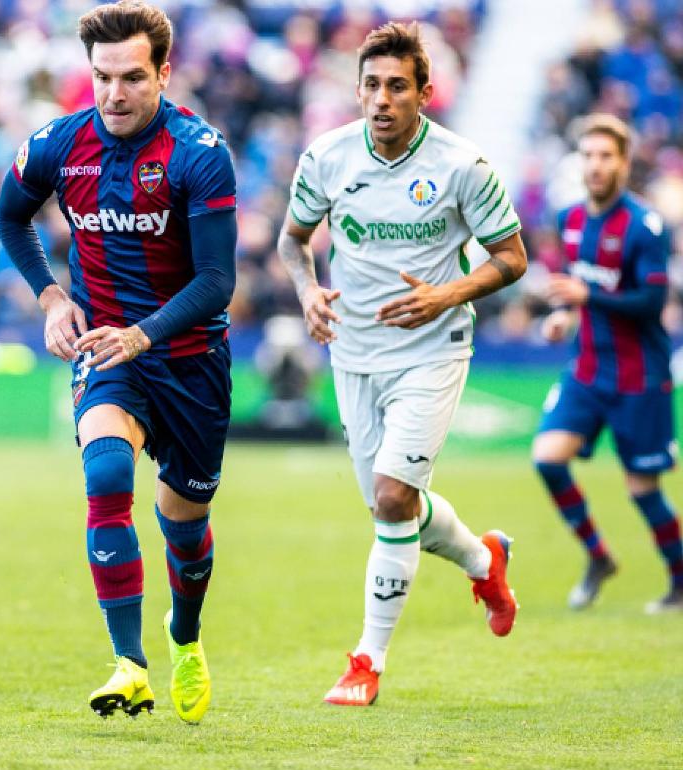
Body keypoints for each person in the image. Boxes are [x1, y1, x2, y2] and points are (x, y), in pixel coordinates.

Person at [0, 0, 236, 724]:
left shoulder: (199, 152)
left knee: (184, 526)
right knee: (104, 477)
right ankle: (129, 664)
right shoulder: (58, 145)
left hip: (191, 361)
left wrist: (146, 332)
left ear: (164, 73)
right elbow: (11, 215)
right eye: (102, 76)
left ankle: (183, 637)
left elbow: (218, 282)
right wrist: (49, 297)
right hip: (109, 352)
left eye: (132, 78)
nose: (114, 94)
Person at [277, 21, 525, 707]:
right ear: (357, 91)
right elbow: (293, 242)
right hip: (353, 353)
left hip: (433, 350)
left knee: (391, 499)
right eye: (371, 86)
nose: (381, 100)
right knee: (396, 506)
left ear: (425, 93)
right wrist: (308, 293)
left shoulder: (462, 167)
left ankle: (366, 661)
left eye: (396, 87)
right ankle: (484, 559)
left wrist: (448, 292)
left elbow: (512, 259)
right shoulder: (326, 158)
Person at [534, 114, 680, 614]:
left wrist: (586, 295)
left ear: (623, 162)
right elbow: (576, 294)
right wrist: (563, 316)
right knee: (548, 458)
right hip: (587, 370)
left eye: (606, 156)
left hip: (640, 377)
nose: (595, 166)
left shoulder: (645, 225)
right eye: (588, 156)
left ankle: (679, 579)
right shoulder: (570, 219)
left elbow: (649, 302)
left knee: (643, 489)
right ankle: (598, 556)